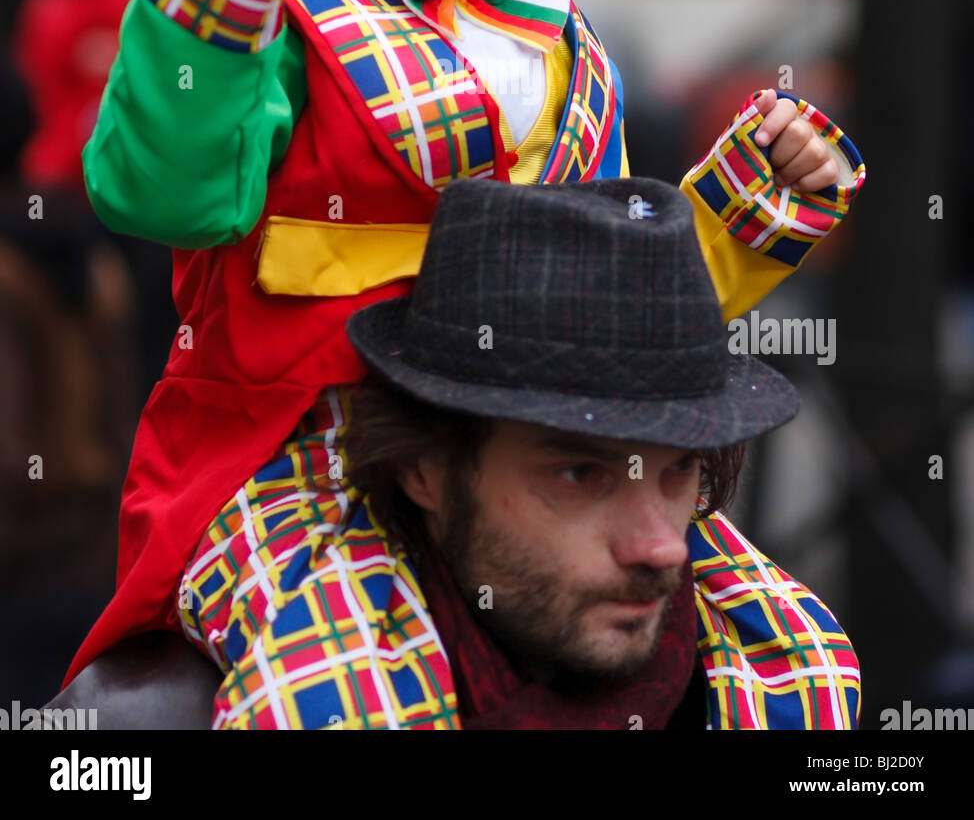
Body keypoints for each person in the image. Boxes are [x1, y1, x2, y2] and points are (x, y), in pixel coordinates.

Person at [63, 0, 865, 715]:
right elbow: (163, 191)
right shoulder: (282, 1)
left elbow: (594, 315)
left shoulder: (554, 28)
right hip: (316, 461)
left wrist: (743, 206)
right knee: (344, 702)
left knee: (788, 663)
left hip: (540, 465)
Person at [48, 176, 860, 729]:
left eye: (679, 467)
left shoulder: (777, 684)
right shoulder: (155, 719)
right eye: (579, 472)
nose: (659, 546)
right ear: (425, 467)